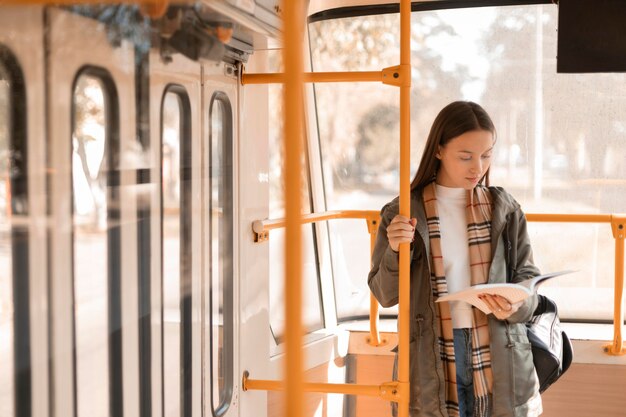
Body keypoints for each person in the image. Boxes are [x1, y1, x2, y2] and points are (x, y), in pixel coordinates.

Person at [368, 101, 543, 417]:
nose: (479, 167)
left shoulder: (504, 208)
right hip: (431, 354)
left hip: (498, 352)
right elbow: (385, 294)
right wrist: (395, 250)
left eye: (487, 154)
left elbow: (529, 279)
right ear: (438, 150)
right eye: (466, 157)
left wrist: (517, 302)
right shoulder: (404, 213)